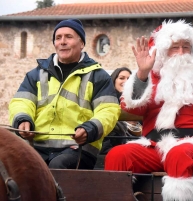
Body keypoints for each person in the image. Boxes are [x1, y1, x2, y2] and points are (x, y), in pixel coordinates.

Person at [104, 20, 193, 201]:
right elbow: (131, 108)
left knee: (178, 154)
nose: (182, 53)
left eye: (186, 47)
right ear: (163, 52)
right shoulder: (151, 79)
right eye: (175, 47)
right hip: (154, 146)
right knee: (117, 155)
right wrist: (142, 74)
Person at [8, 19, 120, 169]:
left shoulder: (98, 76)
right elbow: (21, 102)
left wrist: (90, 129)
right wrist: (22, 119)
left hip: (79, 148)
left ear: (81, 44)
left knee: (58, 165)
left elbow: (109, 111)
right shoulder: (35, 74)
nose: (62, 42)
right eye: (58, 37)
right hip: (36, 147)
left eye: (69, 37)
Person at [99, 67, 142, 155]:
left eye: (129, 79)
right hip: (116, 154)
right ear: (114, 80)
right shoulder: (107, 103)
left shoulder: (140, 103)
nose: (126, 81)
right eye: (121, 78)